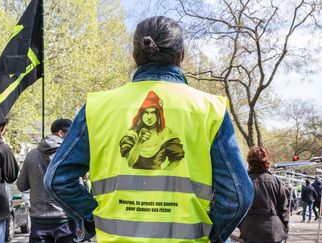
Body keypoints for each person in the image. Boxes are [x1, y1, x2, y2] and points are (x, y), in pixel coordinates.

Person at [43, 16, 254, 242]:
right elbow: (238, 195)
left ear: (134, 56)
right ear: (181, 55)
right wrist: (213, 235)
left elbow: (57, 179)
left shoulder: (97, 108)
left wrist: (92, 218)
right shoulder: (209, 109)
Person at [16, 118, 75, 243]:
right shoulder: (69, 154)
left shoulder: (32, 154)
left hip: (39, 222)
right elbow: (77, 187)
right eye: (70, 133)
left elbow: (21, 185)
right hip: (65, 220)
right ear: (60, 133)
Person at [239, 146, 289, 243]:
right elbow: (284, 210)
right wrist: (284, 228)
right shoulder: (276, 181)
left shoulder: (242, 181)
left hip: (249, 231)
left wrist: (242, 226)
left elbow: (237, 208)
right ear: (267, 161)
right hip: (273, 232)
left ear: (250, 162)